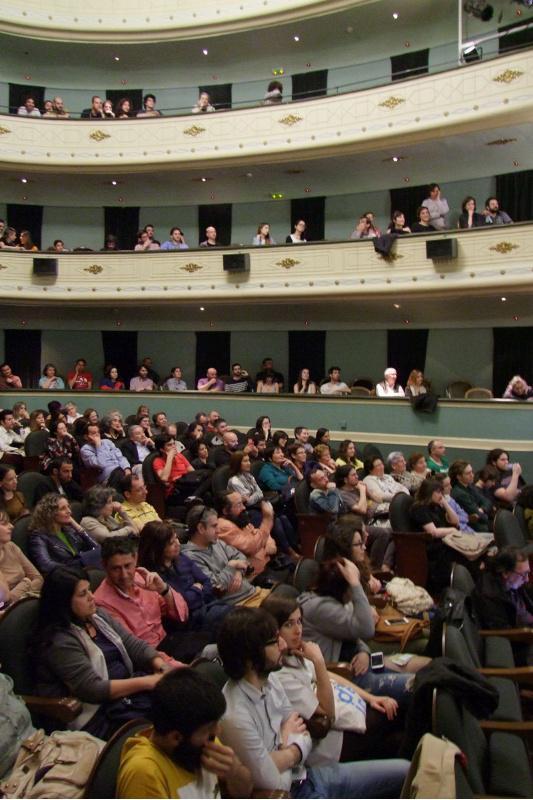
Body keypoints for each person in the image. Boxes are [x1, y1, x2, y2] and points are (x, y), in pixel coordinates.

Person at [219, 607, 409, 797]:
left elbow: (306, 735)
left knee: (407, 771)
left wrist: (279, 755)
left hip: (309, 776)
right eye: (274, 642)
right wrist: (288, 746)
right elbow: (274, 782)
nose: (283, 645)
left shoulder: (271, 679)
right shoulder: (235, 716)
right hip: (293, 793)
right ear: (249, 661)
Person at [262, 594, 405, 762]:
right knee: (396, 720)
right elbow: (327, 714)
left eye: (299, 621)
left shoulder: (293, 654)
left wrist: (371, 698)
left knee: (396, 723)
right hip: (330, 745)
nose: (298, 630)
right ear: (274, 630)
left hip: (342, 722)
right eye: (288, 624)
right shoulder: (279, 675)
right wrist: (318, 661)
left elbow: (329, 677)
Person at [34, 565, 165, 738]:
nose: (91, 597)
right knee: (170, 725)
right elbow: (92, 689)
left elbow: (132, 644)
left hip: (127, 696)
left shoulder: (97, 616)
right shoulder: (59, 641)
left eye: (89, 590)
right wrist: (148, 682)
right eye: (83, 594)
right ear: (63, 602)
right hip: (98, 716)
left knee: (182, 698)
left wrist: (161, 666)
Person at [117, 668, 252, 799]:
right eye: (209, 727)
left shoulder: (200, 741)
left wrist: (234, 772)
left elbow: (244, 793)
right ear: (176, 737)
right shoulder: (144, 773)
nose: (217, 731)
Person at [93, 535, 203, 665]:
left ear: (135, 559)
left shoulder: (142, 578)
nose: (124, 574)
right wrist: (177, 666)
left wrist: (163, 589)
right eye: (116, 568)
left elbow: (182, 615)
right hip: (148, 659)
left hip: (170, 641)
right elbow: (133, 648)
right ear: (104, 566)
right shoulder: (101, 602)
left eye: (127, 566)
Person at [138, 520, 233, 635]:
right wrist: (197, 589)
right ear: (156, 549)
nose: (178, 544)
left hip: (209, 606)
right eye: (171, 543)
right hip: (189, 625)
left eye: (176, 538)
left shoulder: (182, 558)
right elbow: (182, 606)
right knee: (236, 621)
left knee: (240, 617)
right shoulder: (152, 577)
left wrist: (194, 595)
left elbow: (207, 582)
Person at [181, 505, 271, 607]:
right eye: (214, 526)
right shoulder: (190, 557)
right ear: (201, 528)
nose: (218, 531)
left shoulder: (216, 542)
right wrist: (231, 566)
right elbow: (215, 586)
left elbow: (240, 557)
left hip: (253, 592)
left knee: (288, 595)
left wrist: (238, 572)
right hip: (239, 604)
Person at [472, 546, 533, 665]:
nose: (526, 579)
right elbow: (502, 633)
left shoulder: (513, 582)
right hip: (521, 646)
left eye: (528, 573)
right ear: (505, 572)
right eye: (523, 575)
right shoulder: (490, 596)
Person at [28, 494, 101, 574]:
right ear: (50, 513)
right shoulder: (39, 536)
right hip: (65, 576)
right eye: (63, 508)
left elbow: (95, 547)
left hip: (82, 569)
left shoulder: (69, 530)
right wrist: (75, 566)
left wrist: (77, 527)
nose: (69, 511)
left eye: (68, 507)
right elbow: (45, 565)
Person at [216, 487, 277, 578]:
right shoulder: (222, 526)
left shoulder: (238, 519)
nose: (244, 507)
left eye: (243, 503)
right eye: (239, 504)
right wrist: (267, 519)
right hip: (255, 576)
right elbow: (251, 546)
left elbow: (258, 533)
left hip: (268, 564)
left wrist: (268, 542)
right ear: (225, 511)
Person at [0, 509, 42, 608]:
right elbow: (4, 600)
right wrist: (26, 582)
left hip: (26, 604)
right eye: (4, 524)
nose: (12, 526)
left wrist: (21, 592)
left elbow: (38, 578)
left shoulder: (11, 546)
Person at [363, 456, 409, 523]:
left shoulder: (387, 477)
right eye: (378, 465)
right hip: (384, 512)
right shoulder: (368, 480)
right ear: (370, 469)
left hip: (399, 502)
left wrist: (403, 496)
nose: (382, 467)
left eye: (382, 464)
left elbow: (402, 488)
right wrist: (400, 497)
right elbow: (381, 496)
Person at [449, 460, 491, 532]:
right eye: (468, 473)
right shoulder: (459, 493)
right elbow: (478, 515)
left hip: (481, 522)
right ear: (459, 477)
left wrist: (482, 509)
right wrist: (482, 512)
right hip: (472, 526)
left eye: (472, 472)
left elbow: (487, 501)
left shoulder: (470, 486)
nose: (472, 475)